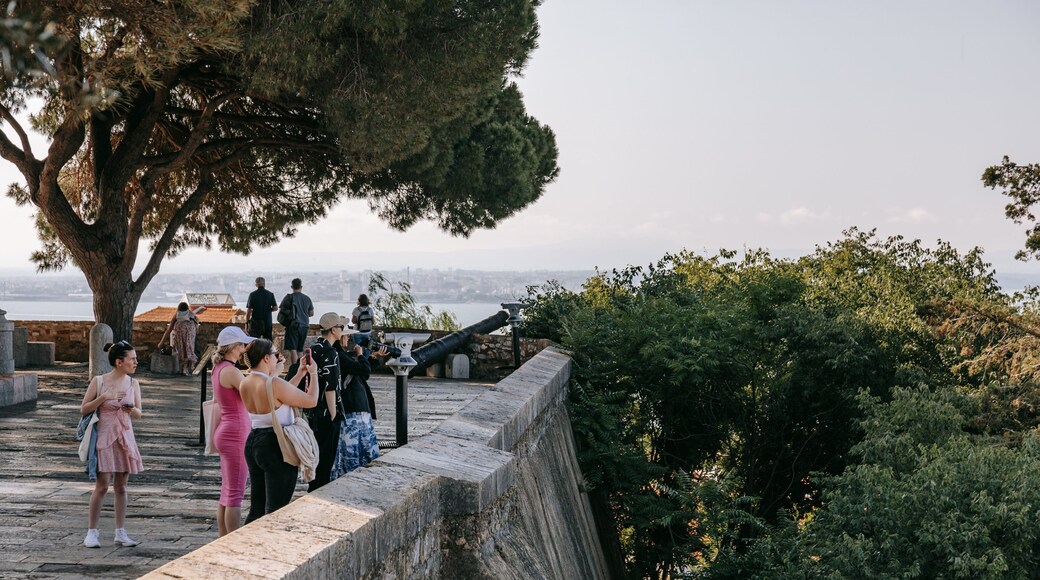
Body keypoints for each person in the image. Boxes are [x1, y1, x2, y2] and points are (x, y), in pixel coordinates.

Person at [239, 338, 318, 523]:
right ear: (266, 358)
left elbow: (279, 396)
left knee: (256, 509)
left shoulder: (245, 382)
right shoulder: (273, 383)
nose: (278, 358)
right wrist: (313, 374)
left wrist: (299, 374)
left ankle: (248, 539)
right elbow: (311, 400)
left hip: (254, 442)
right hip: (276, 444)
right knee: (276, 510)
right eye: (276, 355)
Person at [80, 340, 144, 548]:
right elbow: (84, 408)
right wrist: (104, 397)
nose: (136, 362)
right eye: (132, 359)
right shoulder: (99, 381)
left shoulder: (133, 383)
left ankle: (120, 532)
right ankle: (92, 532)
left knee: (121, 487)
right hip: (105, 437)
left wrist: (130, 409)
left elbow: (139, 414)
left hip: (125, 437)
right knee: (102, 485)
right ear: (119, 362)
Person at [210, 326, 256, 537]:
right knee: (235, 495)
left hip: (227, 431)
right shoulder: (230, 371)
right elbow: (252, 391)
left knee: (227, 493)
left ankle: (223, 538)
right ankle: (232, 541)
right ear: (233, 347)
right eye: (241, 345)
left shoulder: (219, 368)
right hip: (235, 433)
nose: (244, 349)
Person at [330, 332, 386, 480]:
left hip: (358, 406)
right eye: (346, 336)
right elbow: (363, 369)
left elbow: (361, 374)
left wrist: (372, 358)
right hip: (353, 407)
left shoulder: (342, 355)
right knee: (354, 447)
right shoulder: (339, 355)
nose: (348, 338)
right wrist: (360, 355)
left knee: (362, 444)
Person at [306, 313, 346, 492]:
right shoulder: (331, 352)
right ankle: (319, 490)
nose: (343, 331)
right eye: (341, 327)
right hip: (326, 412)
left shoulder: (313, 349)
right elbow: (331, 386)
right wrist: (333, 414)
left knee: (316, 453)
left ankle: (313, 487)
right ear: (334, 330)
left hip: (313, 409)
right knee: (326, 457)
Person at [158, 302, 206, 376]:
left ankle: (182, 369)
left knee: (181, 351)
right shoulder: (191, 314)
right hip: (190, 335)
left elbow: (169, 330)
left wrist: (161, 343)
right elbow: (196, 322)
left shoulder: (177, 315)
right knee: (189, 350)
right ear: (187, 308)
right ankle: (188, 369)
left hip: (179, 335)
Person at [279, 278, 314, 368]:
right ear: (301, 286)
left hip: (293, 325)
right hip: (305, 326)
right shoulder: (307, 298)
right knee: (300, 350)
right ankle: (301, 369)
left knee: (293, 349)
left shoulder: (289, 297)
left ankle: (295, 369)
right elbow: (311, 313)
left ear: (292, 287)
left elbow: (282, 311)